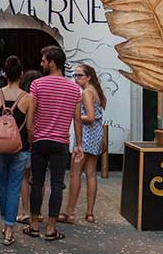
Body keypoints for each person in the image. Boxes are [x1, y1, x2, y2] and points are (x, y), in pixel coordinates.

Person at [24, 46, 83, 242]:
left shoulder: (37, 85)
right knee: (58, 185)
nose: (41, 64)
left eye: (43, 60)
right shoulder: (74, 88)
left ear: (52, 62)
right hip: (61, 143)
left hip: (40, 140)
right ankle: (50, 229)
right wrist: (79, 144)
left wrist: (32, 138)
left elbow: (31, 118)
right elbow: (77, 119)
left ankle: (33, 226)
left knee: (37, 182)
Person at [0, 56, 34, 246]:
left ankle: (6, 221)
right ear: (21, 74)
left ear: (4, 73)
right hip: (20, 147)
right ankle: (9, 229)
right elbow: (30, 127)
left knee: (3, 186)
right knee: (15, 186)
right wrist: (29, 143)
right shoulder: (29, 98)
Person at [60, 64, 107, 224]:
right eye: (74, 75)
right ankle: (89, 213)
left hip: (86, 135)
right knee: (91, 173)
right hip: (96, 135)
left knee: (75, 173)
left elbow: (91, 117)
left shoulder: (87, 92)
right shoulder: (95, 91)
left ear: (88, 77)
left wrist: (75, 116)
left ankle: (70, 212)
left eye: (80, 75)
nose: (76, 78)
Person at [15, 69, 43, 225]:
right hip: (41, 140)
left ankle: (25, 211)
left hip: (25, 141)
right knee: (40, 179)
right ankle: (37, 212)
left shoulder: (23, 98)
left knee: (24, 178)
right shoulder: (44, 98)